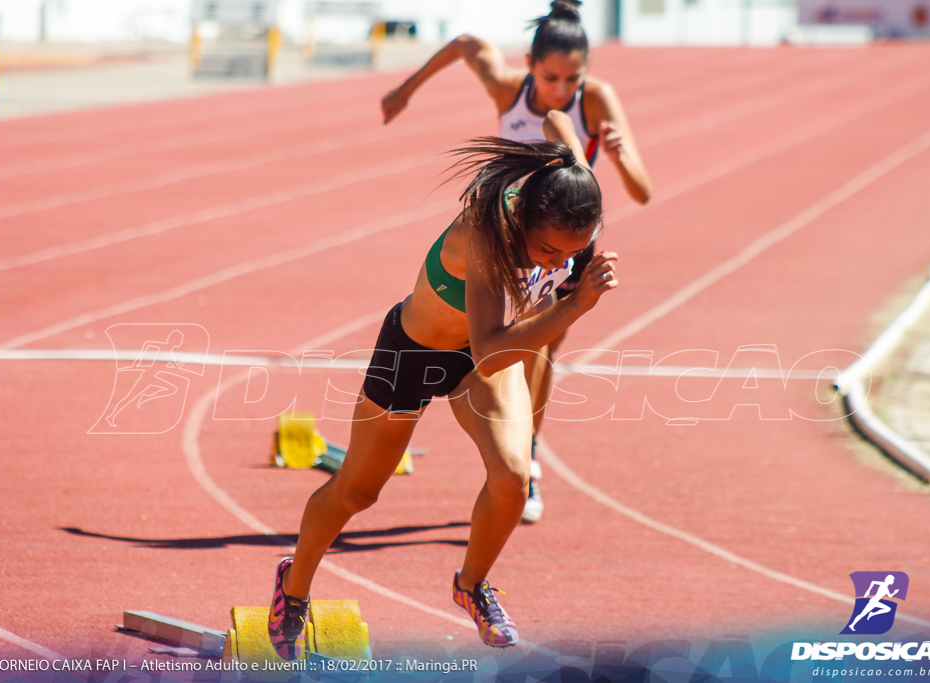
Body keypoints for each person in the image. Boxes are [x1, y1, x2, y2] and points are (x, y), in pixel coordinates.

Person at [267, 111, 618, 656]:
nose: (561, 261)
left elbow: (558, 124)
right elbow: (495, 350)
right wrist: (576, 302)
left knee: (513, 476)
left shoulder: (574, 204)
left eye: (573, 252)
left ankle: (471, 586)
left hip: (476, 364)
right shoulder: (484, 237)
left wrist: (567, 148)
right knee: (358, 491)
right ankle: (293, 587)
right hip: (418, 352)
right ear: (523, 218)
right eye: (550, 252)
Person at [381, 0, 651, 524]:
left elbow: (641, 191)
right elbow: (465, 45)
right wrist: (406, 90)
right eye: (551, 77)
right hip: (507, 233)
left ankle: (527, 454)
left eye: (573, 77)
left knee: (539, 344)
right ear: (530, 64)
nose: (561, 89)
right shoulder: (509, 90)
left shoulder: (596, 100)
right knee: (506, 344)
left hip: (564, 238)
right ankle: (517, 453)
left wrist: (617, 154)